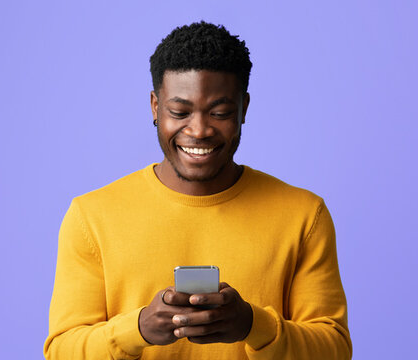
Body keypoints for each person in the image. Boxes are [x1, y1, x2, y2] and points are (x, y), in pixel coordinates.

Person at [44, 21, 352, 359]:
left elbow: (334, 350)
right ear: (155, 107)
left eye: (220, 113)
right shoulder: (91, 217)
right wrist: (139, 329)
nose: (199, 130)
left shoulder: (304, 215)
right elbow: (61, 351)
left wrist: (253, 325)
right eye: (180, 112)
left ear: (244, 109)